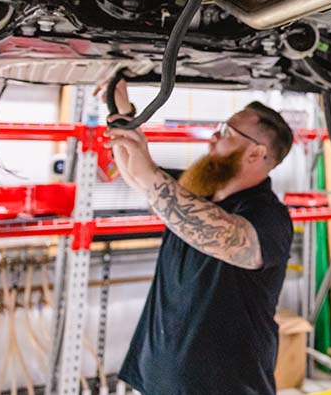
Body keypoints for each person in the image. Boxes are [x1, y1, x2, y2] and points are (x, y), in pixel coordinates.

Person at [104, 80, 295, 395]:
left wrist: (149, 174)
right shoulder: (195, 189)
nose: (214, 135)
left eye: (228, 131)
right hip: (155, 381)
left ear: (256, 153)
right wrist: (124, 116)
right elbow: (138, 175)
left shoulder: (271, 218)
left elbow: (226, 236)